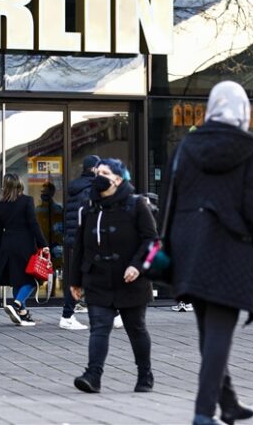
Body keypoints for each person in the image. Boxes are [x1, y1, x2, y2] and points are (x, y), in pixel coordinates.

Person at [167, 81, 253, 425]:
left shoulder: (187, 148)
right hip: (233, 253)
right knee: (218, 335)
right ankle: (202, 412)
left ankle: (228, 404)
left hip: (189, 250)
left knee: (208, 332)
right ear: (242, 111)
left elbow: (173, 200)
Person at [69, 158, 157, 394]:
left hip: (131, 281)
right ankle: (92, 375)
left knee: (136, 328)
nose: (99, 176)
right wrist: (74, 280)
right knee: (99, 326)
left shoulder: (136, 205)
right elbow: (80, 245)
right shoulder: (89, 206)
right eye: (97, 172)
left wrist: (137, 266)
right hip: (98, 279)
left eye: (105, 173)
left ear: (118, 179)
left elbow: (152, 241)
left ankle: (144, 374)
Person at [0, 173, 48, 327]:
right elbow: (34, 224)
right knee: (33, 280)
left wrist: (2, 247)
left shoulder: (0, 205)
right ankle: (17, 304)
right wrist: (43, 244)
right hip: (24, 244)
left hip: (7, 243)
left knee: (16, 279)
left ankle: (23, 314)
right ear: (19, 184)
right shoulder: (26, 201)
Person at [61, 155, 99, 331]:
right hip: (84, 238)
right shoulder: (89, 189)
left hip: (75, 237)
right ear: (93, 169)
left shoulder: (77, 188)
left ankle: (111, 313)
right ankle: (67, 315)